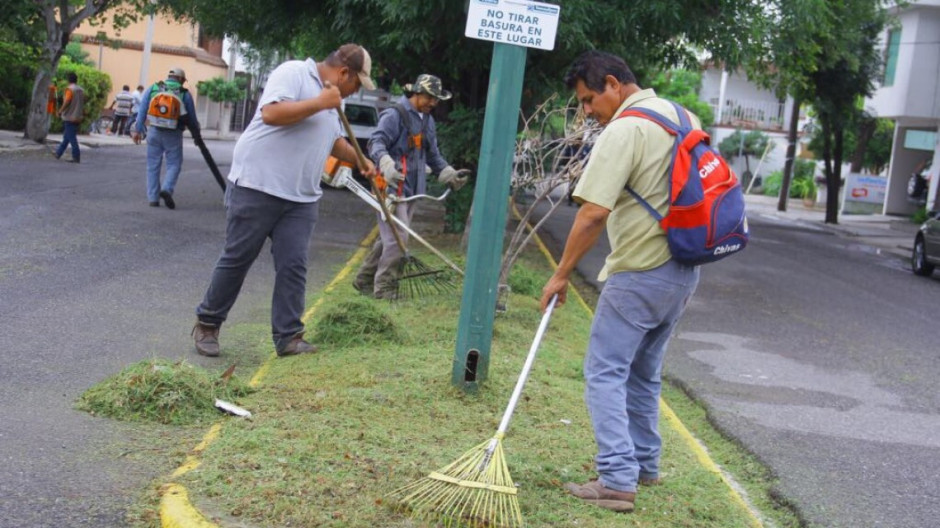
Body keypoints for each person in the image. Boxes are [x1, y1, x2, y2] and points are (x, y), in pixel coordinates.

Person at [539, 50, 701, 513]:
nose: (588, 111)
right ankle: (645, 463)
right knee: (643, 373)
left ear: (613, 84)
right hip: (683, 271)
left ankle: (615, 479)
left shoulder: (626, 129)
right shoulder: (680, 115)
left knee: (604, 372)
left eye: (589, 100)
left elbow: (592, 213)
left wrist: (560, 273)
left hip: (640, 272)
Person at [192, 43, 378, 358]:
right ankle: (208, 324)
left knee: (294, 265)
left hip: (300, 197)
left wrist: (359, 159)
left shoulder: (335, 101)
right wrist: (321, 102)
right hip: (257, 184)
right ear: (344, 72)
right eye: (356, 84)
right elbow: (272, 113)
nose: (354, 91)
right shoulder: (293, 73)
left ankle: (289, 337)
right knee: (238, 259)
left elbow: (332, 140)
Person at [352, 74, 467, 299]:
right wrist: (385, 162)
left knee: (392, 237)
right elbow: (376, 142)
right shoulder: (394, 115)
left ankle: (364, 279)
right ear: (416, 93)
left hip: (413, 188)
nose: (434, 103)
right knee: (398, 238)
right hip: (391, 188)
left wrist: (448, 173)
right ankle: (385, 288)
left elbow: (433, 155)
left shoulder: (427, 121)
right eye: (430, 98)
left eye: (436, 99)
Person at [132, 68, 200, 209]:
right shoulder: (184, 94)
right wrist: (196, 135)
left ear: (168, 76)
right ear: (181, 79)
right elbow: (192, 119)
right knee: (174, 164)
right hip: (173, 134)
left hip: (154, 131)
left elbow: (142, 111)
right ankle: (167, 189)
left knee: (153, 165)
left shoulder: (153, 88)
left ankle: (153, 198)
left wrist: (138, 130)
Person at [54, 72, 85, 163]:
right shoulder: (80, 90)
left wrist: (60, 111)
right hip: (78, 116)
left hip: (70, 116)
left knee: (71, 138)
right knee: (67, 137)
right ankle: (58, 153)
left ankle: (76, 156)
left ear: (68, 80)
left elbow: (67, 101)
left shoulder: (70, 89)